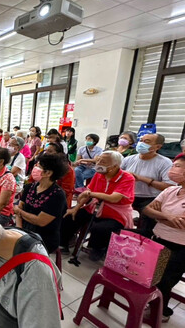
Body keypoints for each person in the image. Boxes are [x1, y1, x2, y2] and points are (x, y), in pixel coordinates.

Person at [61, 151, 135, 261]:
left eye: (103, 162)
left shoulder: (127, 178)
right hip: (95, 207)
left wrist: (90, 194)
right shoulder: (98, 175)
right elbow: (88, 192)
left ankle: (99, 248)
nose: (98, 163)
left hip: (115, 213)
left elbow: (114, 198)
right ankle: (64, 243)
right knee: (69, 215)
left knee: (100, 228)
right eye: (99, 159)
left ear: (114, 166)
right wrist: (76, 208)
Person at [143, 154, 185, 322]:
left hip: (180, 246)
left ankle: (161, 312)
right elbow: (147, 210)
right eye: (173, 165)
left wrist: (159, 216)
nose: (172, 169)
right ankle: (152, 301)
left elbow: (182, 224)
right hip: (159, 239)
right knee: (151, 274)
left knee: (164, 279)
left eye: (178, 166)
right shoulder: (170, 190)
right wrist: (167, 217)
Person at [120, 133, 174, 237]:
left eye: (147, 142)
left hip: (150, 198)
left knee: (148, 225)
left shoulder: (165, 162)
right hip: (127, 195)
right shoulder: (128, 159)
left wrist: (141, 178)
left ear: (158, 146)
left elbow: (168, 186)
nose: (141, 143)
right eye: (141, 140)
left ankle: (132, 238)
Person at [14, 154, 68, 253]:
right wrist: (19, 229)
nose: (35, 168)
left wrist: (20, 212)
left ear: (48, 173)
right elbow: (19, 208)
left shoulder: (57, 195)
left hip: (43, 238)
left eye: (39, 166)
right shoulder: (29, 187)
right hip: (23, 229)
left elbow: (40, 221)